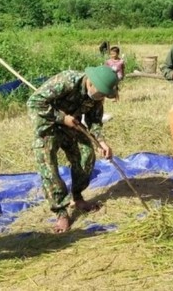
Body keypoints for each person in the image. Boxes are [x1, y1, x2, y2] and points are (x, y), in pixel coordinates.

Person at [27, 66, 119, 233]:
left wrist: (101, 141)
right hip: (48, 126)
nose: (101, 98)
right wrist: (61, 117)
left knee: (87, 154)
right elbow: (34, 102)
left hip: (72, 126)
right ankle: (61, 211)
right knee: (48, 166)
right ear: (90, 82)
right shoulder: (66, 81)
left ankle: (77, 196)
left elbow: (95, 121)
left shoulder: (97, 96)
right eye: (100, 93)